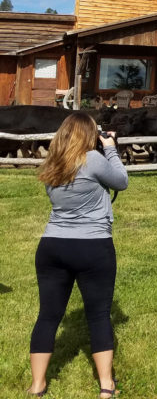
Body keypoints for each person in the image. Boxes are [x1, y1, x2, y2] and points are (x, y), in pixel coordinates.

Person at [29, 112, 128, 399]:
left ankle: (37, 385)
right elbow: (121, 181)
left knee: (48, 316)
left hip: (52, 245)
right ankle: (106, 386)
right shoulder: (93, 159)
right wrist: (110, 148)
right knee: (98, 316)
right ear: (89, 135)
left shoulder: (52, 163)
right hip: (92, 246)